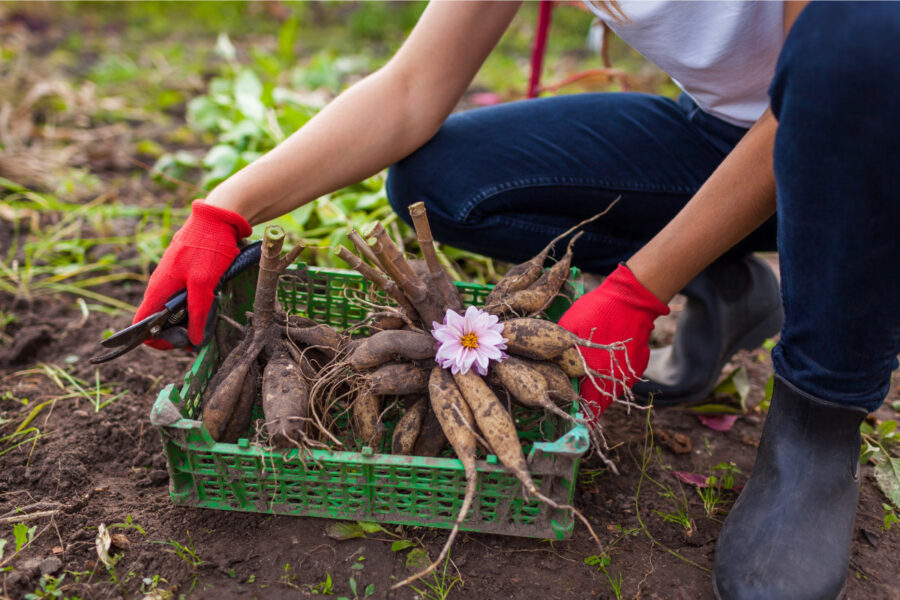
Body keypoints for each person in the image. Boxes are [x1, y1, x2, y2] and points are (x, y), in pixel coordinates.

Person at [132, 2, 900, 598]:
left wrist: (637, 288)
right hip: (717, 138)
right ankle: (724, 283)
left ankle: (818, 419)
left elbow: (833, 89)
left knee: (867, 38)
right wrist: (226, 208)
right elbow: (409, 90)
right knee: (447, 181)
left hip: (869, 128)